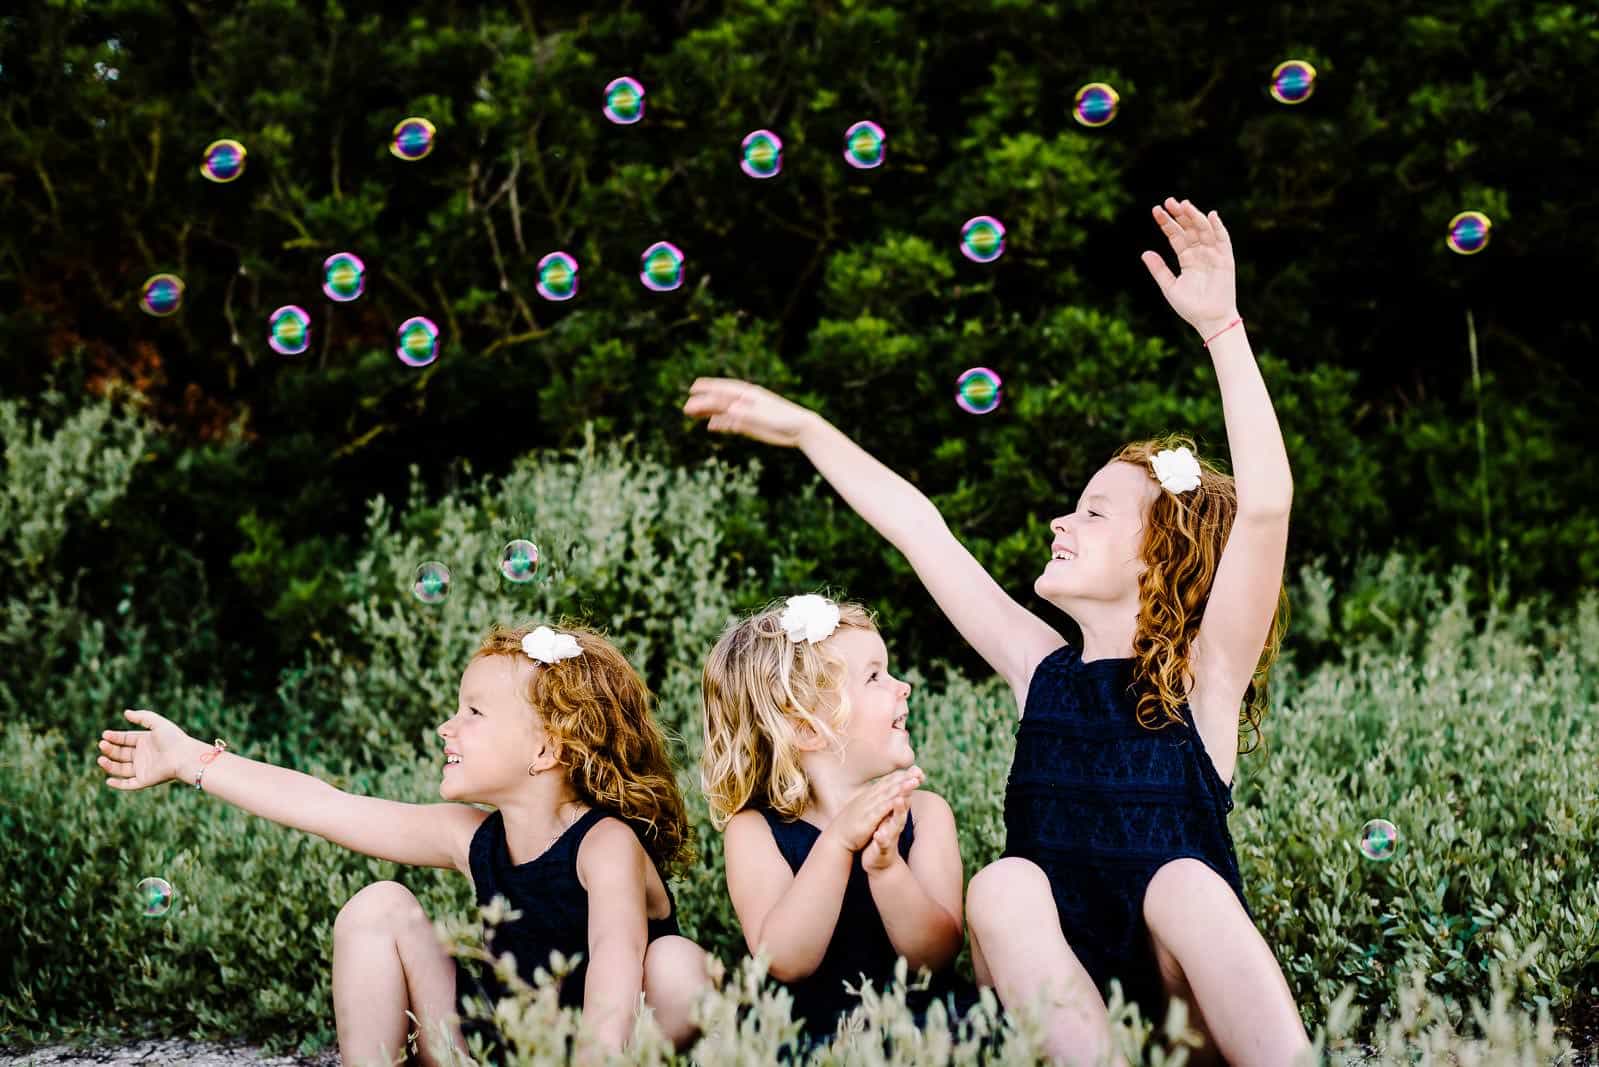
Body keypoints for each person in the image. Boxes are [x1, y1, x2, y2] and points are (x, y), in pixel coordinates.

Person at [682, 197, 1311, 1065]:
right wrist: (808, 430)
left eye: (1092, 512)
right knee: (1007, 883)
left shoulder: (1202, 680)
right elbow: (919, 529)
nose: (1061, 519)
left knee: (1185, 885)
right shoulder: (1038, 666)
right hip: (1054, 1004)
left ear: (1158, 560)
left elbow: (1267, 504)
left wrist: (1221, 328)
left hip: (1178, 1009)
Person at [97, 622, 711, 1066]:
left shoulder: (605, 845)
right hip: (495, 1047)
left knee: (676, 966)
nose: (447, 725)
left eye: (473, 712)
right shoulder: (470, 835)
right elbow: (327, 806)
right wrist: (193, 762)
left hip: (610, 1048)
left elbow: (612, 969)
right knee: (378, 906)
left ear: (547, 750)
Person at [699, 594, 974, 1050]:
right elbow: (783, 960)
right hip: (809, 1037)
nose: (901, 685)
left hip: (923, 1025)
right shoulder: (754, 832)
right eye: (874, 676)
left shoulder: (925, 814)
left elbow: (936, 957)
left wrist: (887, 869)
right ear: (808, 729)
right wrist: (838, 843)